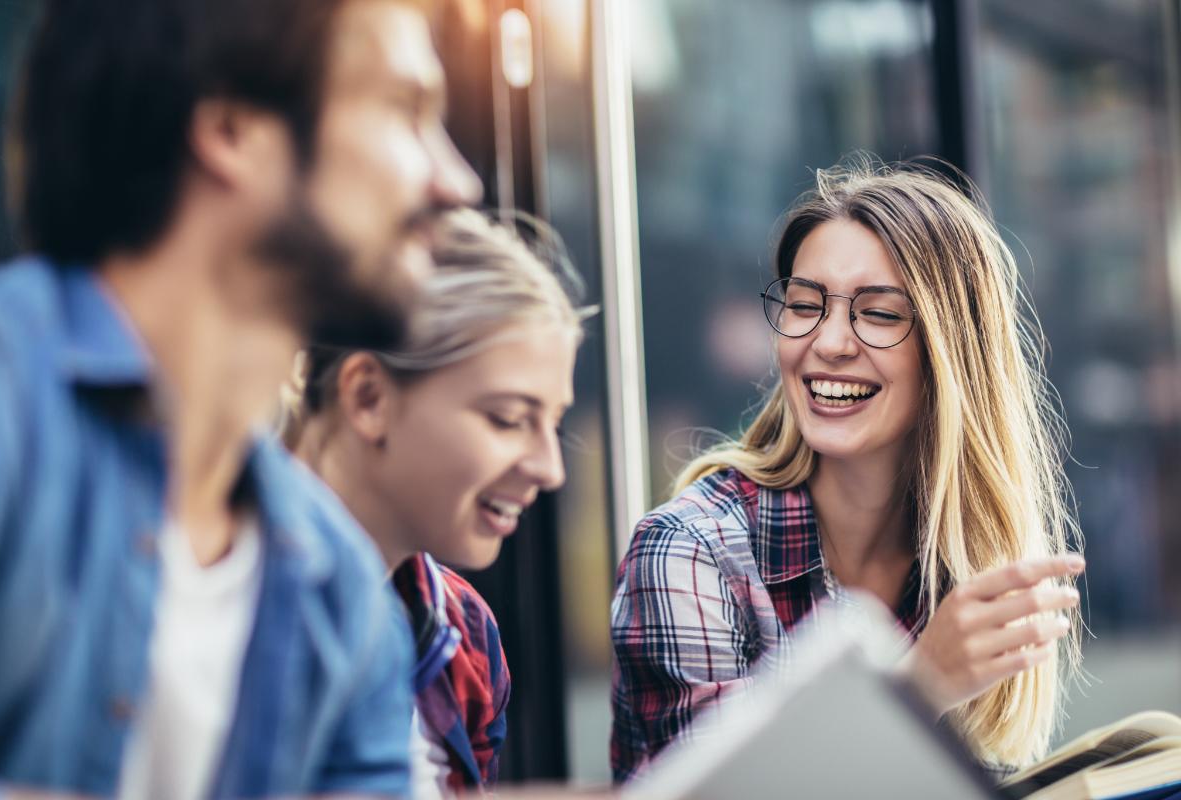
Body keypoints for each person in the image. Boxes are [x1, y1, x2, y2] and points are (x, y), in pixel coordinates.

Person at [0, 0, 480, 797]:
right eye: (405, 111)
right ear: (232, 130)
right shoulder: (0, 401)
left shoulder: (338, 593)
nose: (458, 181)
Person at [610, 158, 1085, 782]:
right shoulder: (689, 553)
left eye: (879, 314)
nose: (829, 343)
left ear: (951, 355)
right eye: (805, 305)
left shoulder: (961, 565)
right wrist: (918, 689)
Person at [282, 208, 592, 796]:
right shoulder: (225, 596)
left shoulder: (464, 633)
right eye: (508, 419)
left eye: (553, 424)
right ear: (368, 398)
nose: (550, 469)